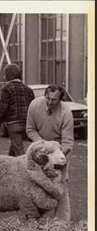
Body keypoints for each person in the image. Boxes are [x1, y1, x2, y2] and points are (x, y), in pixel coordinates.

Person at [26, 84, 73, 222]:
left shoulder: (66, 112)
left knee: (61, 184)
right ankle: (34, 217)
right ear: (45, 95)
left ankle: (62, 220)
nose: (50, 102)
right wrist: (43, 146)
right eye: (48, 98)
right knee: (35, 182)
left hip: (58, 150)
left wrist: (59, 156)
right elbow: (30, 129)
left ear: (60, 100)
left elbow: (68, 142)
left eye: (54, 100)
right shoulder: (34, 105)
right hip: (40, 148)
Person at [0, 63, 35, 156]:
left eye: (4, 74)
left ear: (8, 75)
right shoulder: (28, 89)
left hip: (13, 124)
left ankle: (25, 168)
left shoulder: (6, 88)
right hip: (26, 123)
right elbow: (32, 108)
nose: (3, 77)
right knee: (15, 145)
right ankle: (9, 164)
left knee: (19, 150)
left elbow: (2, 109)